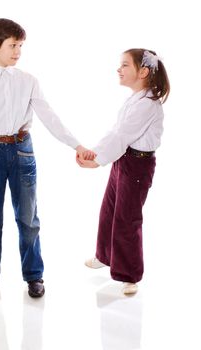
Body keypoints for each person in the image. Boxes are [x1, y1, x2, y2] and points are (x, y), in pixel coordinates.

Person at [0, 18, 94, 301]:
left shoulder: (28, 81)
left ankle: (34, 276)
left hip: (23, 151)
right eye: (13, 45)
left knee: (28, 218)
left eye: (21, 45)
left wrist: (76, 144)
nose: (18, 51)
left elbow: (49, 117)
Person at [77, 48, 170, 295]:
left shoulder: (148, 104)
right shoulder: (134, 99)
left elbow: (122, 135)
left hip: (138, 165)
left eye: (124, 65)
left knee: (127, 218)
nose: (119, 69)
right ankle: (104, 255)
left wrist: (97, 161)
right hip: (123, 159)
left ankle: (129, 274)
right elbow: (115, 131)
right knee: (109, 210)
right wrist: (94, 153)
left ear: (143, 71)